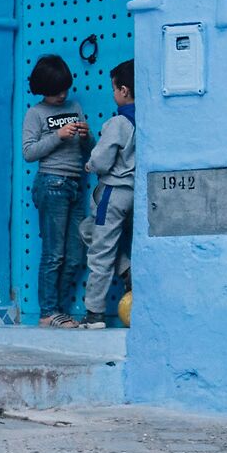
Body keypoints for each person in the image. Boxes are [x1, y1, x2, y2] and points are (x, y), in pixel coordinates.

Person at [20, 54, 91, 327]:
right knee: (54, 253)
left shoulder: (74, 106)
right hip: (51, 184)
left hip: (74, 185)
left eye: (64, 89)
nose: (62, 95)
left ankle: (59, 310)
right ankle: (49, 312)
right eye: (54, 92)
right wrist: (57, 137)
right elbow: (29, 152)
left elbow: (89, 151)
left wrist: (87, 137)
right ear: (42, 90)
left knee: (75, 254)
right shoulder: (35, 113)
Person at [74, 60, 137, 329]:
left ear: (123, 91)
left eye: (114, 89)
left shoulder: (118, 122)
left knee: (100, 252)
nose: (113, 94)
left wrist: (90, 163)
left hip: (112, 194)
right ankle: (126, 269)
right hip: (136, 194)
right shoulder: (150, 119)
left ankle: (94, 313)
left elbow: (101, 160)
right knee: (88, 229)